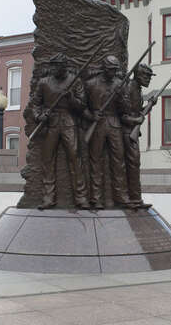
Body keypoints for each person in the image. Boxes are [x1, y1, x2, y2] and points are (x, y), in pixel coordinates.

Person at [30, 53, 90, 210]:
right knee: (48, 160)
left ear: (64, 66)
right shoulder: (44, 83)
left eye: (58, 66)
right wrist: (40, 115)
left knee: (74, 158)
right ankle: (48, 197)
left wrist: (71, 98)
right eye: (53, 66)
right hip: (51, 123)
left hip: (68, 121)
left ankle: (81, 197)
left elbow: (82, 105)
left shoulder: (74, 80)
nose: (55, 69)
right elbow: (35, 104)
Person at [84, 56, 132, 208]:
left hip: (114, 124)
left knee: (119, 162)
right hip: (97, 125)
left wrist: (121, 97)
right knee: (96, 161)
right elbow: (81, 106)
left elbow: (125, 109)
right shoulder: (91, 84)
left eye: (115, 70)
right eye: (111, 70)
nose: (113, 73)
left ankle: (121, 197)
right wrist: (91, 115)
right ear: (104, 68)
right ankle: (96, 198)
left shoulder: (119, 84)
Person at [121, 63, 155, 209]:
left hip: (132, 131)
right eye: (146, 76)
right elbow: (122, 115)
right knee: (131, 164)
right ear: (138, 75)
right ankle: (132, 198)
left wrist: (149, 105)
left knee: (134, 164)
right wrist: (136, 120)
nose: (149, 79)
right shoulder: (129, 89)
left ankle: (135, 198)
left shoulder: (138, 89)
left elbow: (137, 113)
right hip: (126, 132)